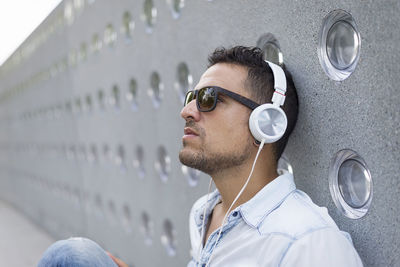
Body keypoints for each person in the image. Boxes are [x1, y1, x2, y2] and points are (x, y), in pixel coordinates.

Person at [39, 46, 363, 267]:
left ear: (265, 123)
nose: (186, 112)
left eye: (209, 99)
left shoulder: (308, 244)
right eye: (191, 97)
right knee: (74, 255)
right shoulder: (205, 212)